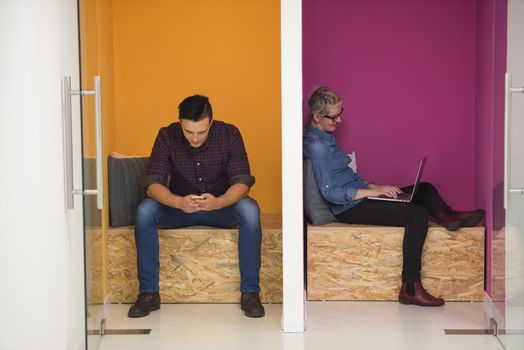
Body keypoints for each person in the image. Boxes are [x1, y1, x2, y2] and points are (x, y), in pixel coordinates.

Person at [303, 86, 485, 307]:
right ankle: (410, 287)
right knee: (416, 214)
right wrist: (373, 192)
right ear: (316, 116)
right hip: (348, 206)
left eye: (341, 113)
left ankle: (449, 218)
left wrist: (374, 185)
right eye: (334, 116)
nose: (339, 120)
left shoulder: (326, 138)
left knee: (424, 189)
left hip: (361, 195)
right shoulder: (318, 147)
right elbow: (331, 191)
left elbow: (345, 175)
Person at [128, 95, 265, 318]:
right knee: (145, 210)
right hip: (180, 208)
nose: (194, 138)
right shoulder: (166, 135)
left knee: (249, 209)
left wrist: (219, 202)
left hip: (220, 207)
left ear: (210, 123)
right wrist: (178, 202)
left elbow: (242, 184)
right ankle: (148, 295)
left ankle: (250, 293)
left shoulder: (229, 134)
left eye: (201, 132)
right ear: (180, 123)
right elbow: (153, 185)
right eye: (188, 131)